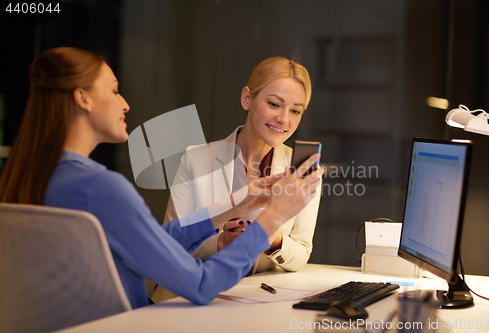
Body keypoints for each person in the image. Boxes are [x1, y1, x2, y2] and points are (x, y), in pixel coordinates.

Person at [0, 47, 323, 310]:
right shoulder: (102, 188)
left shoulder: (39, 175)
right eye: (114, 90)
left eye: (296, 110)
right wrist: (271, 219)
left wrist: (232, 206)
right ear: (83, 99)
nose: (125, 102)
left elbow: (153, 243)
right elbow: (199, 284)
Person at [163, 56, 320, 273]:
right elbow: (168, 245)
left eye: (295, 111)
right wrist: (219, 244)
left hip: (259, 299)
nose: (284, 119)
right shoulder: (195, 160)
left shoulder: (303, 171)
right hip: (196, 297)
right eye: (274, 104)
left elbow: (301, 252)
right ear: (247, 98)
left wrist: (272, 238)